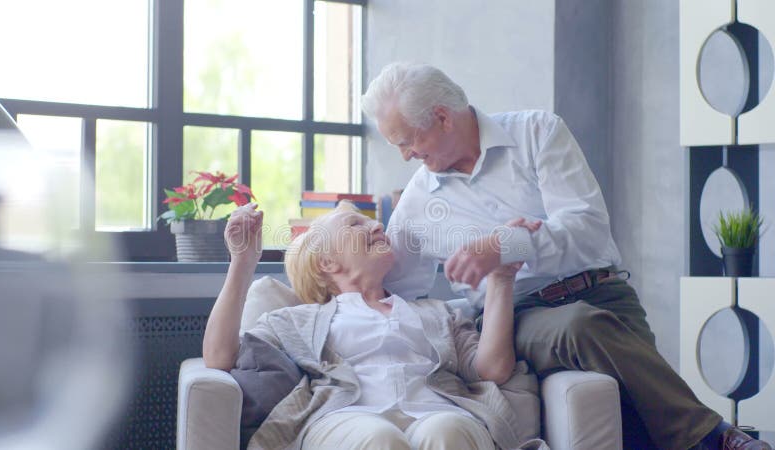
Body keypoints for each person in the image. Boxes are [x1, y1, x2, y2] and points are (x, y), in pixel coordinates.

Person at [362, 62, 772, 450]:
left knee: (636, 423)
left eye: (406, 141)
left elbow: (588, 230)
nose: (404, 156)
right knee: (580, 325)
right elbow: (390, 284)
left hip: (605, 294)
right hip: (518, 316)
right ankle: (716, 436)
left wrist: (506, 246)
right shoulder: (417, 203)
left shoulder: (536, 132)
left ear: (442, 117)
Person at [202, 201, 546, 450]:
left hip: (438, 411)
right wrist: (243, 263)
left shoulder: (436, 312)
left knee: (449, 431)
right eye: (356, 225)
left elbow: (493, 370)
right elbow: (219, 357)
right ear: (326, 262)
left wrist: (501, 279)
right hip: (346, 418)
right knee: (378, 439)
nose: (378, 227)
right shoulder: (298, 320)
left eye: (373, 222)